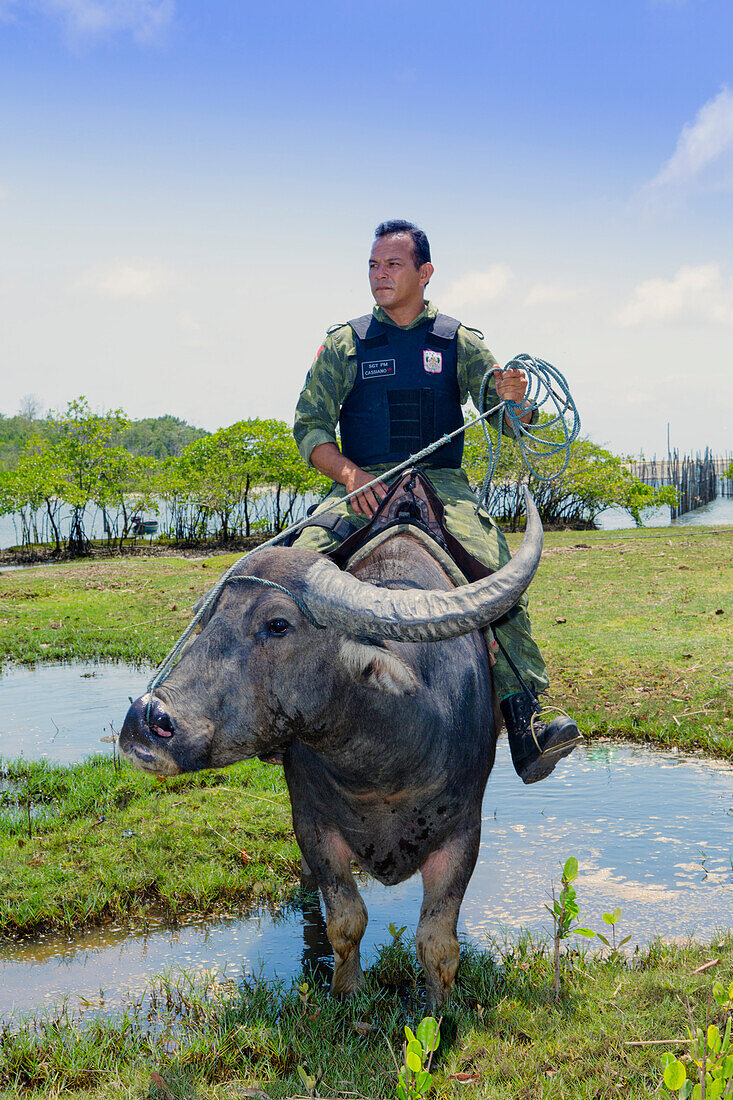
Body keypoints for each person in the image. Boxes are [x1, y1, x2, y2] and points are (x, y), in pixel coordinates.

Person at [292, 219, 580, 784]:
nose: (380, 275)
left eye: (392, 265)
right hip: (361, 485)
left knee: (497, 574)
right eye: (373, 265)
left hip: (444, 486)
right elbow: (309, 429)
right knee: (291, 573)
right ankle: (278, 716)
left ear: (425, 272)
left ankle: (527, 720)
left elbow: (507, 419)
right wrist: (348, 473)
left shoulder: (459, 342)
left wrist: (515, 400)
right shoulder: (344, 343)